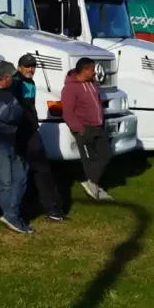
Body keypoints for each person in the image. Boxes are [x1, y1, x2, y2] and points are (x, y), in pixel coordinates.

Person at [0, 61, 33, 234]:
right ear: (3, 78)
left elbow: (15, 113)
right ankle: (13, 217)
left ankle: (12, 213)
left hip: (10, 141)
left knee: (22, 175)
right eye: (11, 77)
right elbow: (10, 115)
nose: (13, 79)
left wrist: (17, 110)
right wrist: (19, 110)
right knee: (4, 182)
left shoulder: (7, 92)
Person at [11, 54, 67, 222]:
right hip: (21, 132)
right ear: (19, 67)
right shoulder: (16, 83)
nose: (31, 69)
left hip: (31, 130)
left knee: (36, 170)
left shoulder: (31, 82)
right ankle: (49, 208)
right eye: (27, 66)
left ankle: (46, 207)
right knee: (36, 170)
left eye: (33, 66)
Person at [61, 57, 113, 201]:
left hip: (98, 126)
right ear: (84, 70)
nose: (94, 73)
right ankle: (94, 187)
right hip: (84, 128)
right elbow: (68, 113)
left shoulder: (92, 83)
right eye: (92, 69)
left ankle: (92, 183)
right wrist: (80, 129)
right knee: (89, 159)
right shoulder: (70, 88)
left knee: (106, 154)